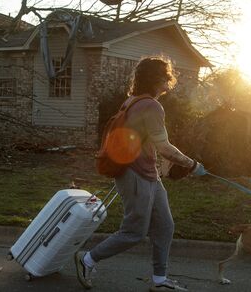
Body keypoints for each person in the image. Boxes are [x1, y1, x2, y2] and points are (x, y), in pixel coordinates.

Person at [75, 56, 205, 291]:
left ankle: (159, 280)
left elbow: (152, 142)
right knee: (134, 232)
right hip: (134, 175)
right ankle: (87, 259)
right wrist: (192, 164)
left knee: (164, 226)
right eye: (166, 76)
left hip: (148, 175)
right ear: (157, 79)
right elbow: (165, 147)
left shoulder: (133, 101)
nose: (169, 81)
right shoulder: (151, 105)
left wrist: (162, 166)